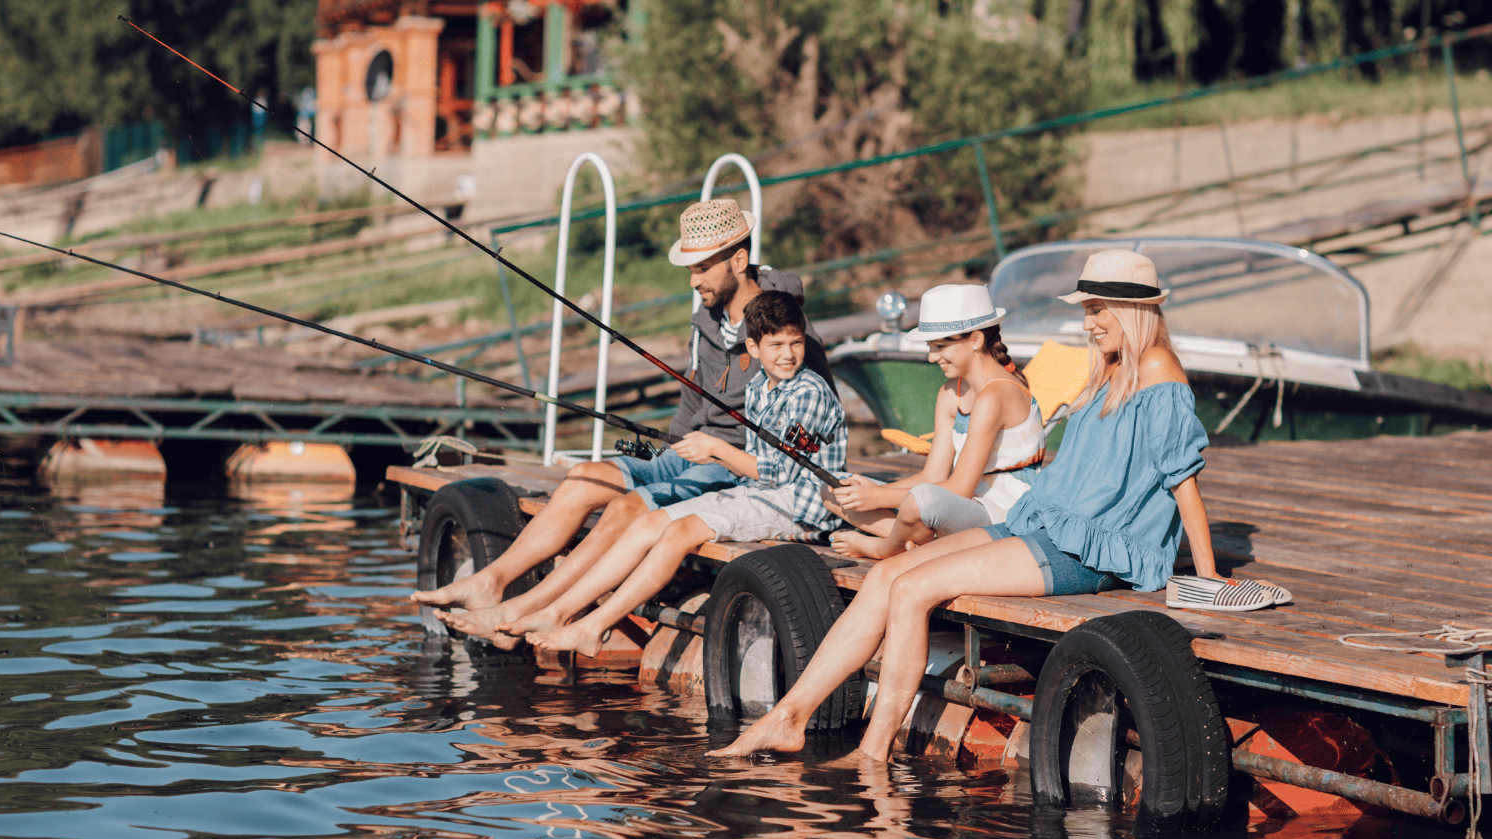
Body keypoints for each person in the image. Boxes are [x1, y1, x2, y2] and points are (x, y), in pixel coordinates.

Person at [708, 249, 1220, 762]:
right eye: (1086, 310)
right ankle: (788, 716)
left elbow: (1182, 476)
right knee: (889, 576)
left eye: (1096, 310)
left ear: (1130, 310)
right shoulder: (1108, 367)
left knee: (912, 589)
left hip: (1097, 546)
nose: (1087, 323)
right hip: (1050, 523)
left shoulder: (1157, 364)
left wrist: (1208, 576)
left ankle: (871, 753)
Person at [412, 199, 833, 644]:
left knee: (627, 508)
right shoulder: (707, 320)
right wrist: (670, 449)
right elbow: (692, 398)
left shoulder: (784, 328)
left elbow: (812, 417)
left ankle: (530, 611)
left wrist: (734, 452)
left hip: (733, 466)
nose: (694, 282)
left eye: (703, 268)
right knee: (584, 477)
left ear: (739, 260)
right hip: (689, 450)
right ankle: (491, 582)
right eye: (690, 270)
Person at [514, 290, 848, 656]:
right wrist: (706, 453)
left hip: (801, 505)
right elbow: (758, 465)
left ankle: (593, 627)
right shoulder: (758, 388)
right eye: (777, 344)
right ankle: (557, 612)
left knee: (678, 533)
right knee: (646, 523)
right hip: (761, 492)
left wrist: (717, 449)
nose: (788, 354)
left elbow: (783, 471)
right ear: (753, 348)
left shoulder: (809, 392)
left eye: (796, 343)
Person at [825, 284, 1043, 561]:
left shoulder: (995, 395)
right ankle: (912, 539)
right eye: (930, 347)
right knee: (834, 489)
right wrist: (867, 492)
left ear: (976, 340)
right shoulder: (950, 393)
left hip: (1003, 514)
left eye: (940, 346)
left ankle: (884, 548)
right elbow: (933, 476)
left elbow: (960, 488)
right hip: (960, 505)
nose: (931, 357)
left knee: (920, 502)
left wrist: (878, 497)